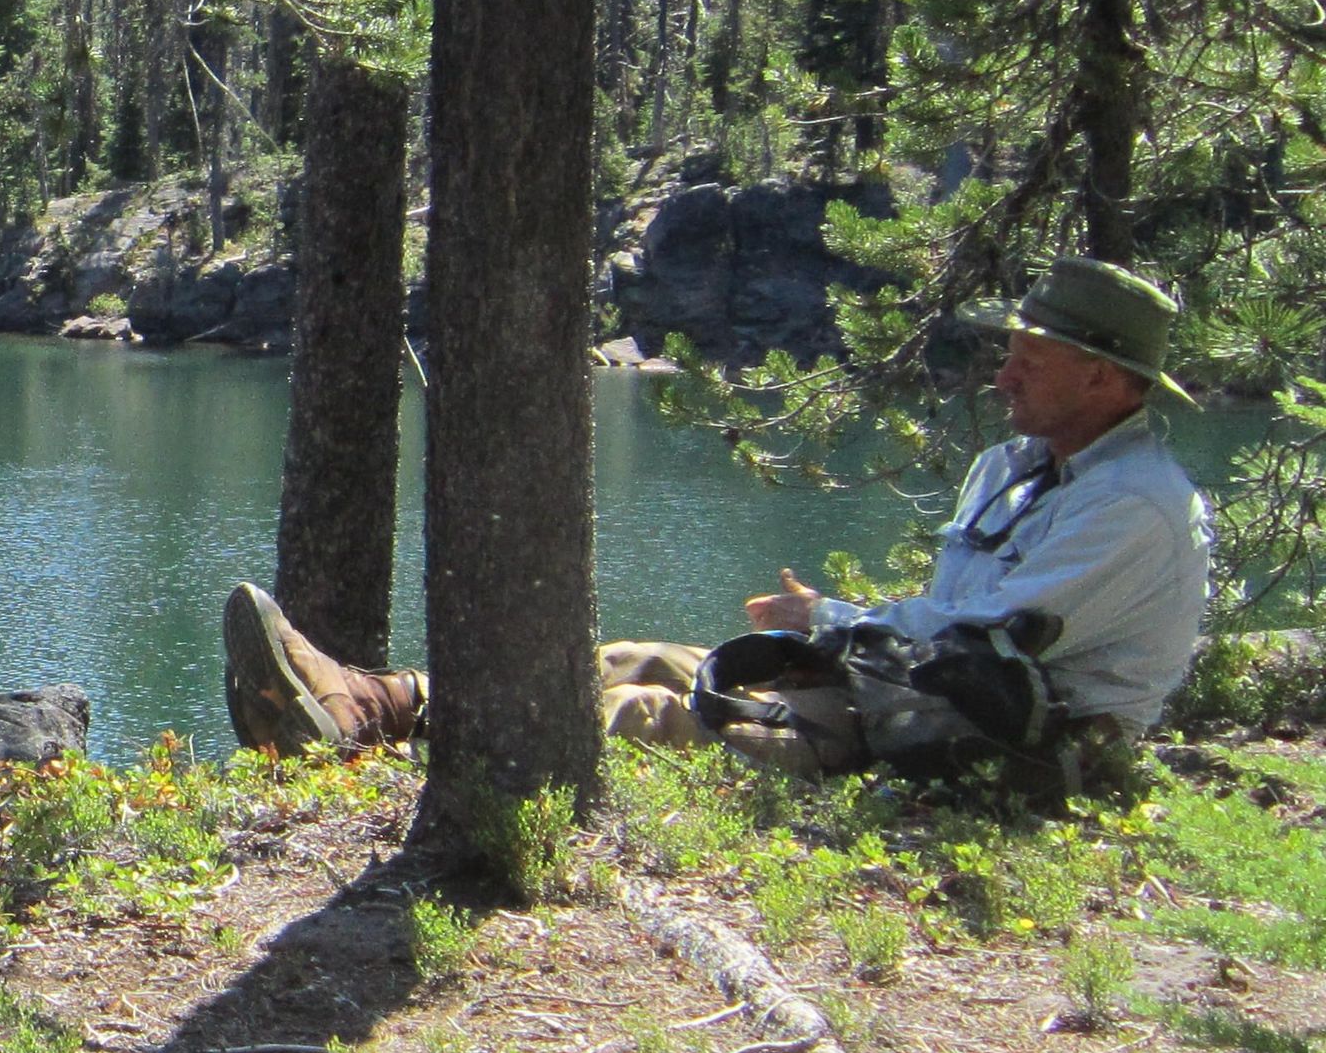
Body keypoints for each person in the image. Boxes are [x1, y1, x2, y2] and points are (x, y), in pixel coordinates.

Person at [221, 258, 1213, 790]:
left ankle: (383, 746)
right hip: (919, 699)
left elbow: (984, 640)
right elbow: (950, 625)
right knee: (635, 655)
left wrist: (826, 621)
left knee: (667, 713)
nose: (1001, 376)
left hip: (1022, 750)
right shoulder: (1015, 470)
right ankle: (373, 702)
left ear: (1101, 375)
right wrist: (832, 629)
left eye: (1026, 360)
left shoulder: (1137, 508)